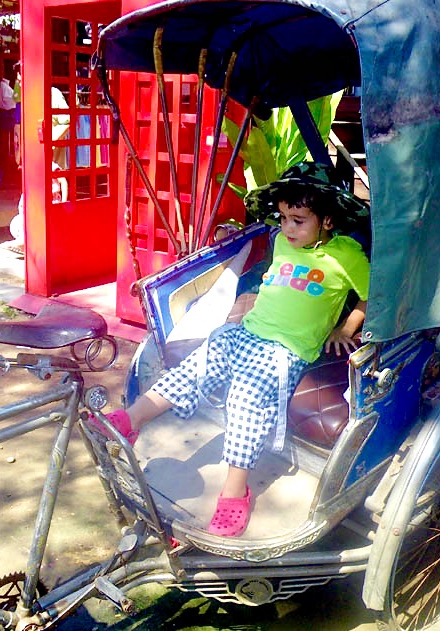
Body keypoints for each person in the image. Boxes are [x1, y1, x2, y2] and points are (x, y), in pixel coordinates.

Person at [89, 162, 370, 537]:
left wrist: (346, 325)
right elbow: (274, 285)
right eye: (284, 217)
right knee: (196, 363)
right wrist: (246, 304)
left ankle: (236, 491)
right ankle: (132, 420)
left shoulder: (347, 255)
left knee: (245, 399)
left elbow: (372, 295)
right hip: (248, 332)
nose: (287, 227)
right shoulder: (283, 243)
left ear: (328, 221)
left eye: (298, 220)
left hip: (284, 351)